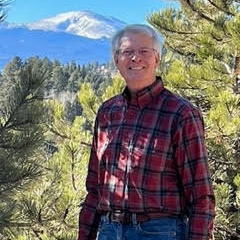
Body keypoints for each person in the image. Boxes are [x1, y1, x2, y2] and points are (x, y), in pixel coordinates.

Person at [77, 24, 215, 240]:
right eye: (127, 52)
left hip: (159, 232)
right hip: (108, 230)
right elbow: (94, 188)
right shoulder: (107, 112)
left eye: (144, 51)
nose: (135, 58)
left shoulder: (181, 114)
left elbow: (201, 195)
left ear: (157, 58)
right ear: (116, 60)